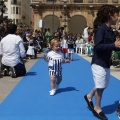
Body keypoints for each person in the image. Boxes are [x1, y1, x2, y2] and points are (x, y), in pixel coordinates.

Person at [84, 5, 120, 120]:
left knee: (103, 84)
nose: (118, 18)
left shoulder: (110, 30)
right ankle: (97, 108)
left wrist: (116, 46)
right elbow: (98, 47)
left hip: (106, 62)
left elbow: (113, 47)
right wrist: (113, 45)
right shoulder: (101, 29)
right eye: (117, 15)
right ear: (110, 15)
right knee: (100, 86)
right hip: (98, 62)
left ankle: (89, 96)